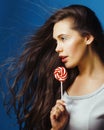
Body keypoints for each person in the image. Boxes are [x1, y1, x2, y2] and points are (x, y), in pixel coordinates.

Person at [4, 4, 104, 130]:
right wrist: (56, 128)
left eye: (63, 38)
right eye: (56, 41)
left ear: (87, 38)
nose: (57, 48)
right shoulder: (65, 83)